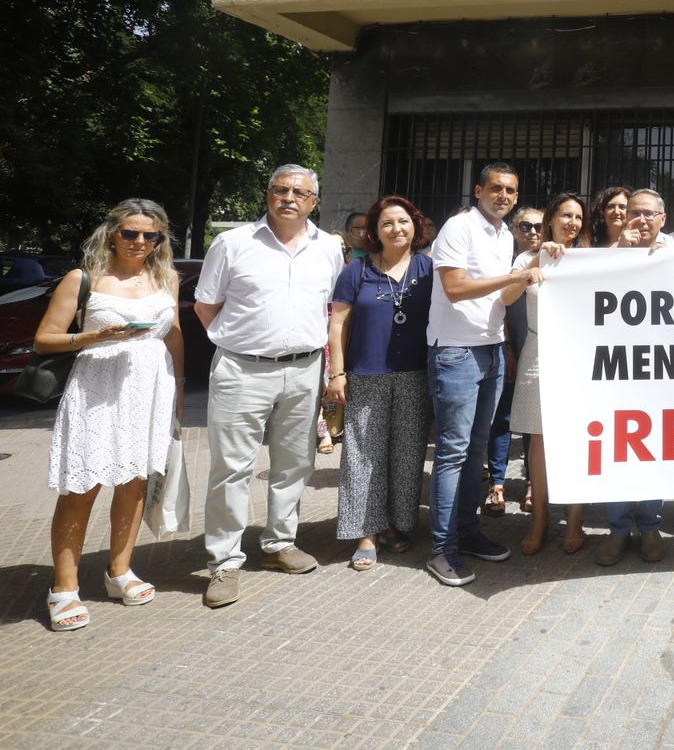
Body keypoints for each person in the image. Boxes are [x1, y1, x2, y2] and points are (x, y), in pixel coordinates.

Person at [194, 165, 346, 608]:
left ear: (314, 201)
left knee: (295, 463)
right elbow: (207, 308)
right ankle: (224, 561)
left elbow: (330, 308)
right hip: (242, 369)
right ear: (267, 195)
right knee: (232, 468)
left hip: (303, 369)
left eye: (299, 192)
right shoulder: (232, 243)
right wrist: (244, 344)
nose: (288, 198)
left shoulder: (328, 250)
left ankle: (280, 544)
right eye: (280, 189)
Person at [38, 200, 184, 631]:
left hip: (150, 389)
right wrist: (92, 335)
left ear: (159, 239)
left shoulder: (165, 278)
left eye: (149, 235)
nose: (139, 242)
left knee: (135, 481)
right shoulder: (82, 278)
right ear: (112, 232)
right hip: (96, 389)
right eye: (130, 233)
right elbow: (45, 339)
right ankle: (63, 588)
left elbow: (173, 337)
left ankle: (119, 570)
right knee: (81, 486)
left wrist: (177, 393)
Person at [424, 162, 541, 587]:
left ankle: (468, 532)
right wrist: (512, 276)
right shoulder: (460, 228)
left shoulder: (503, 235)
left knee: (476, 449)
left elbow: (502, 295)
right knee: (453, 452)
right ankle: (441, 548)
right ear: (478, 190)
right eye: (496, 188)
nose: (504, 196)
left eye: (511, 190)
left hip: (490, 350)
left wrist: (525, 279)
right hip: (455, 352)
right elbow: (455, 288)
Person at [325, 195, 434, 571]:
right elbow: (338, 322)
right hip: (366, 374)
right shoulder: (357, 270)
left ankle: (392, 524)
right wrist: (336, 373)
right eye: (387, 223)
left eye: (403, 221)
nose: (396, 229)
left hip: (414, 374)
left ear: (415, 226)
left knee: (406, 455)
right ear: (375, 231)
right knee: (363, 455)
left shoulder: (428, 268)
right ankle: (365, 533)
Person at [595, 188, 674, 565]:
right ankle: (616, 529)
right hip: (614, 369)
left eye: (649, 213)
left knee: (653, 448)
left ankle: (649, 526)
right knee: (617, 446)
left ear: (663, 219)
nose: (641, 220)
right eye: (634, 213)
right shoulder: (605, 253)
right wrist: (619, 253)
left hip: (662, 370)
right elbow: (587, 286)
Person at [509, 192, 586, 555]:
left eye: (578, 217)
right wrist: (528, 272)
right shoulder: (527, 257)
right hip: (539, 351)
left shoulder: (590, 258)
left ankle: (574, 517)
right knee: (538, 441)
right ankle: (539, 517)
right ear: (551, 219)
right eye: (565, 215)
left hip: (580, 356)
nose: (572, 222)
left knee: (575, 438)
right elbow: (506, 298)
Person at [485, 205, 542, 517]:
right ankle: (496, 484)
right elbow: (500, 308)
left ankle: (533, 484)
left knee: (534, 423)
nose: (532, 232)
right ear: (515, 231)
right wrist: (507, 348)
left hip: (537, 352)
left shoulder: (551, 260)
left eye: (538, 226)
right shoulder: (505, 263)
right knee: (502, 419)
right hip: (509, 349)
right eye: (525, 226)